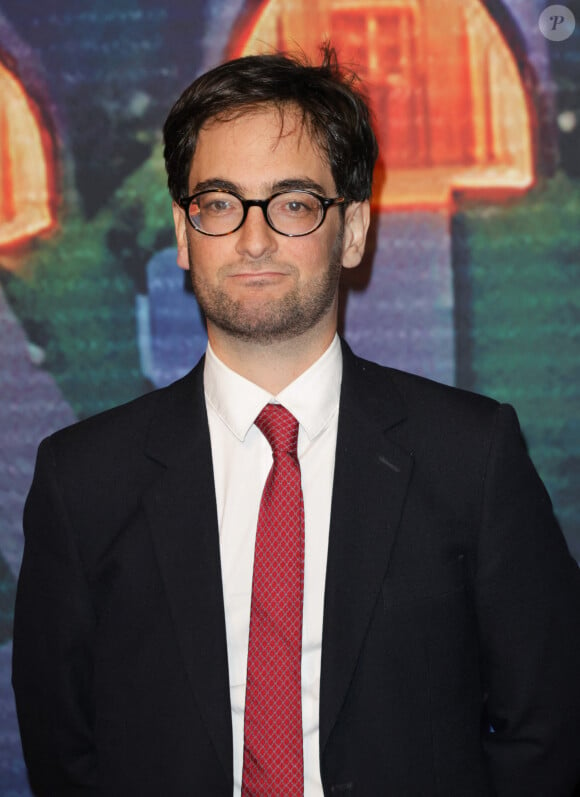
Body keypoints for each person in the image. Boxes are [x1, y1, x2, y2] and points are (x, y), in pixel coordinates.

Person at [12, 45, 580, 797]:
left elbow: (550, 720)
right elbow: (64, 746)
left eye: (292, 203)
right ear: (183, 236)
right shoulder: (82, 479)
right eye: (218, 202)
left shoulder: (471, 456)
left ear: (351, 230)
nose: (253, 238)